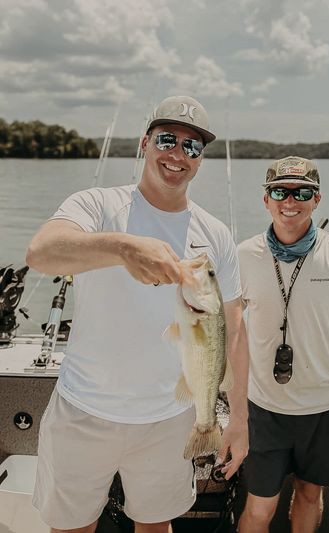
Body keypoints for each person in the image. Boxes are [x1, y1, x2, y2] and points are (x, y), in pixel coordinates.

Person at [26, 95, 249, 533]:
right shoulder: (96, 206)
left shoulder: (216, 234)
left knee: (155, 526)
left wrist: (238, 420)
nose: (178, 154)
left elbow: (234, 331)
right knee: (71, 528)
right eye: (168, 139)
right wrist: (122, 246)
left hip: (170, 419)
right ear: (144, 144)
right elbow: (41, 253)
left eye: (193, 147)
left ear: (200, 160)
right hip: (83, 409)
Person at [237, 156, 329, 533]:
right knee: (258, 508)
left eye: (303, 192)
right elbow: (225, 331)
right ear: (265, 199)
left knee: (310, 494)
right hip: (264, 407)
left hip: (326, 407)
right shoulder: (243, 255)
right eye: (279, 191)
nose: (290, 201)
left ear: (317, 200)